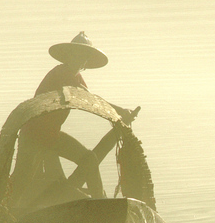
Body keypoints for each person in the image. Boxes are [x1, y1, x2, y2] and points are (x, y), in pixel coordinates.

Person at [9, 32, 130, 209]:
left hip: (51, 134)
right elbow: (88, 97)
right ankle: (3, 214)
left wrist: (118, 113)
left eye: (84, 56)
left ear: (86, 61)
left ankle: (99, 208)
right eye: (77, 54)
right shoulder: (61, 73)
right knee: (22, 179)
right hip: (33, 135)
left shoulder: (76, 77)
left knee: (89, 159)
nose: (80, 59)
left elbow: (88, 98)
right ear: (68, 56)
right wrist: (119, 111)